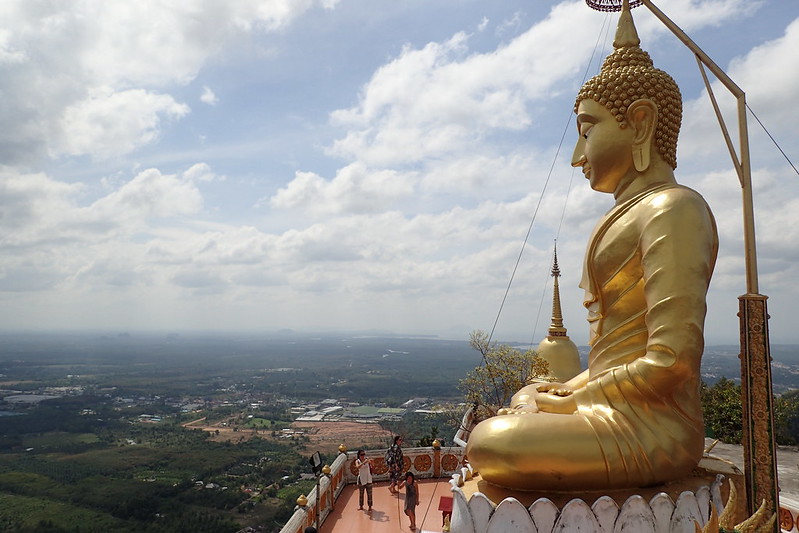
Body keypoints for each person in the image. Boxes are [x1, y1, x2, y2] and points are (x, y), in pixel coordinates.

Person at [465, 0, 718, 491]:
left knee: (491, 443)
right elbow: (612, 360)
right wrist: (566, 389)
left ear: (641, 123)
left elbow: (671, 360)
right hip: (612, 402)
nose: (579, 155)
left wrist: (577, 399)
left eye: (588, 130)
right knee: (527, 396)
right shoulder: (631, 213)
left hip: (654, 426)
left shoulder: (674, 208)